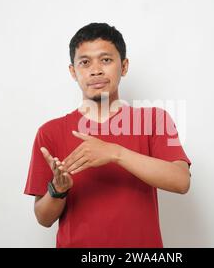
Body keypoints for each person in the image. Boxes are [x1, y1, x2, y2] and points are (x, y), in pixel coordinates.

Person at [24, 23, 192, 248]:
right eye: (85, 62)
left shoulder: (154, 120)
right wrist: (58, 190)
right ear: (73, 72)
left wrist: (114, 153)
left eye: (105, 60)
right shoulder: (50, 132)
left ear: (123, 66)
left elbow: (181, 181)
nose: (96, 70)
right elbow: (43, 218)